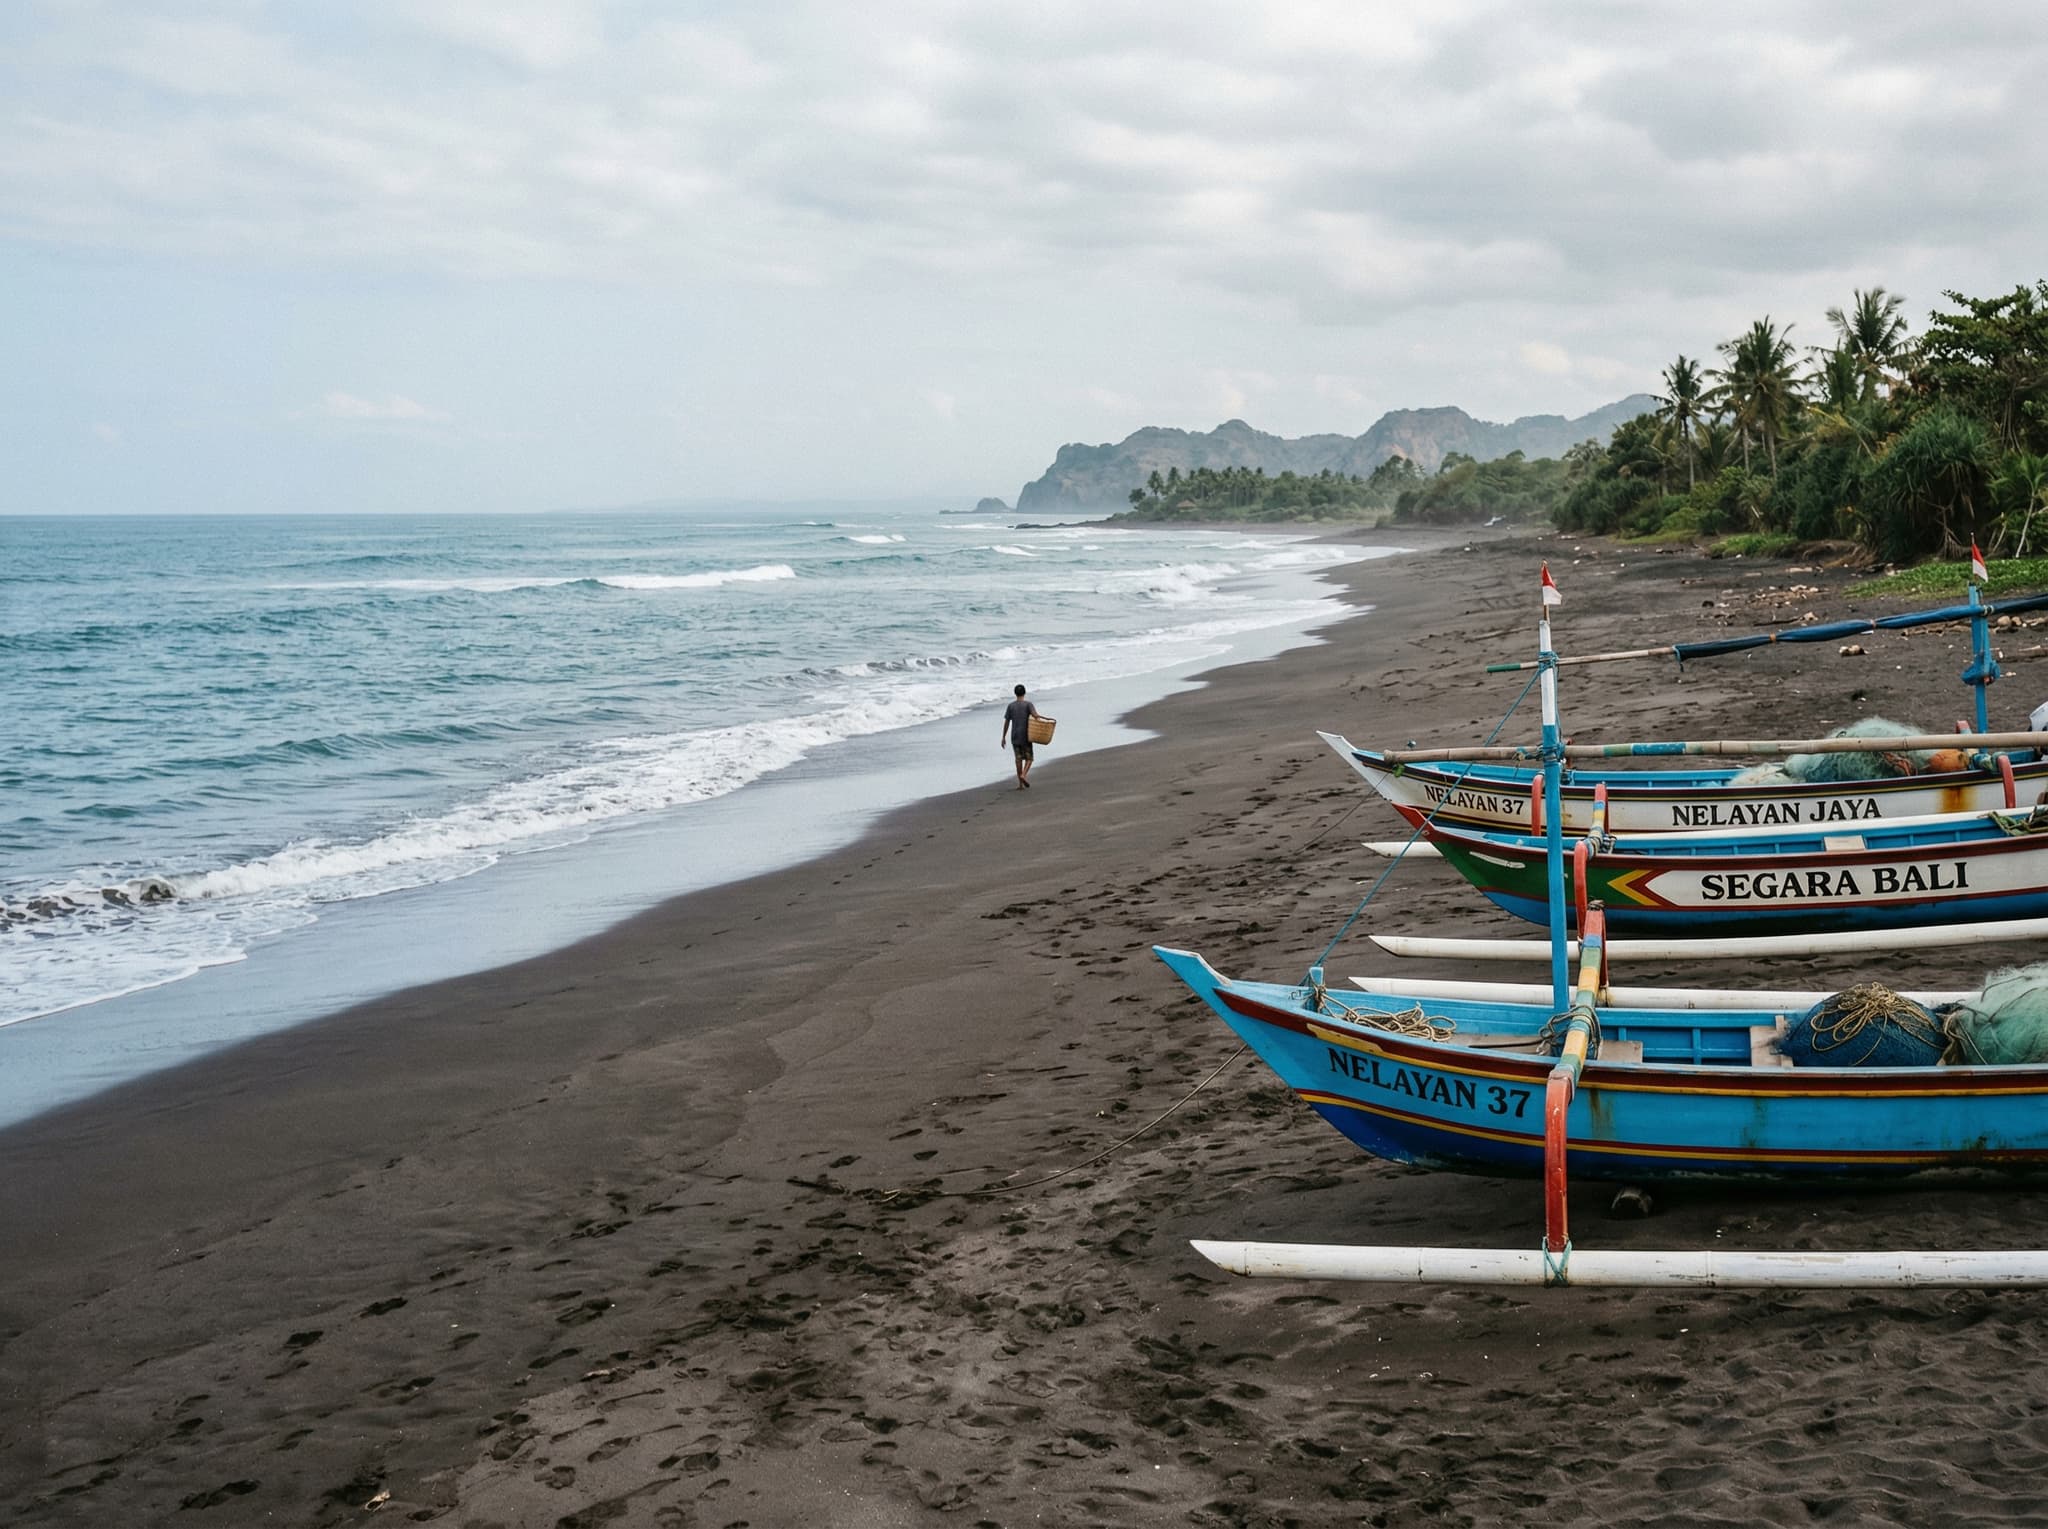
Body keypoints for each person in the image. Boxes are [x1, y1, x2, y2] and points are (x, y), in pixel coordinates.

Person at [1000, 683, 1041, 790]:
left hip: (1015, 736)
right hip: (1026, 736)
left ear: (1015, 693)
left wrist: (1003, 737)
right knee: (1029, 758)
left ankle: (1020, 785)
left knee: (1018, 759)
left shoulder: (1011, 706)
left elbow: (1007, 722)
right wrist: (1038, 717)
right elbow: (1035, 715)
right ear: (1024, 693)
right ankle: (1023, 775)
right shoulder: (1028, 704)